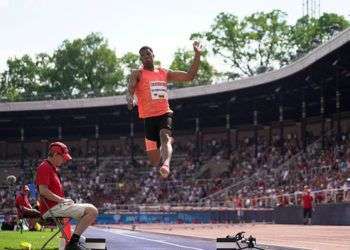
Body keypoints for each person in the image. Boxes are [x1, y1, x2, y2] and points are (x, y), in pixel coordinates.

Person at [126, 41, 202, 178]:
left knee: (165, 137)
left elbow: (189, 76)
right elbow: (131, 87)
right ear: (140, 59)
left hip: (164, 113)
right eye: (143, 55)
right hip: (148, 117)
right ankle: (160, 149)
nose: (146, 57)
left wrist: (197, 55)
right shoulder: (137, 73)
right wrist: (129, 98)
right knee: (154, 160)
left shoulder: (163, 72)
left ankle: (166, 164)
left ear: (153, 55)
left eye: (148, 53)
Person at [35, 142, 98, 250]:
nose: (64, 160)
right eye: (62, 157)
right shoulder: (44, 167)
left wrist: (64, 200)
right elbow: (43, 191)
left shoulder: (51, 168)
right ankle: (73, 245)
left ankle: (73, 243)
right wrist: (61, 200)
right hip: (52, 209)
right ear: (55, 155)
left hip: (56, 206)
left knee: (72, 232)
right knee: (92, 210)